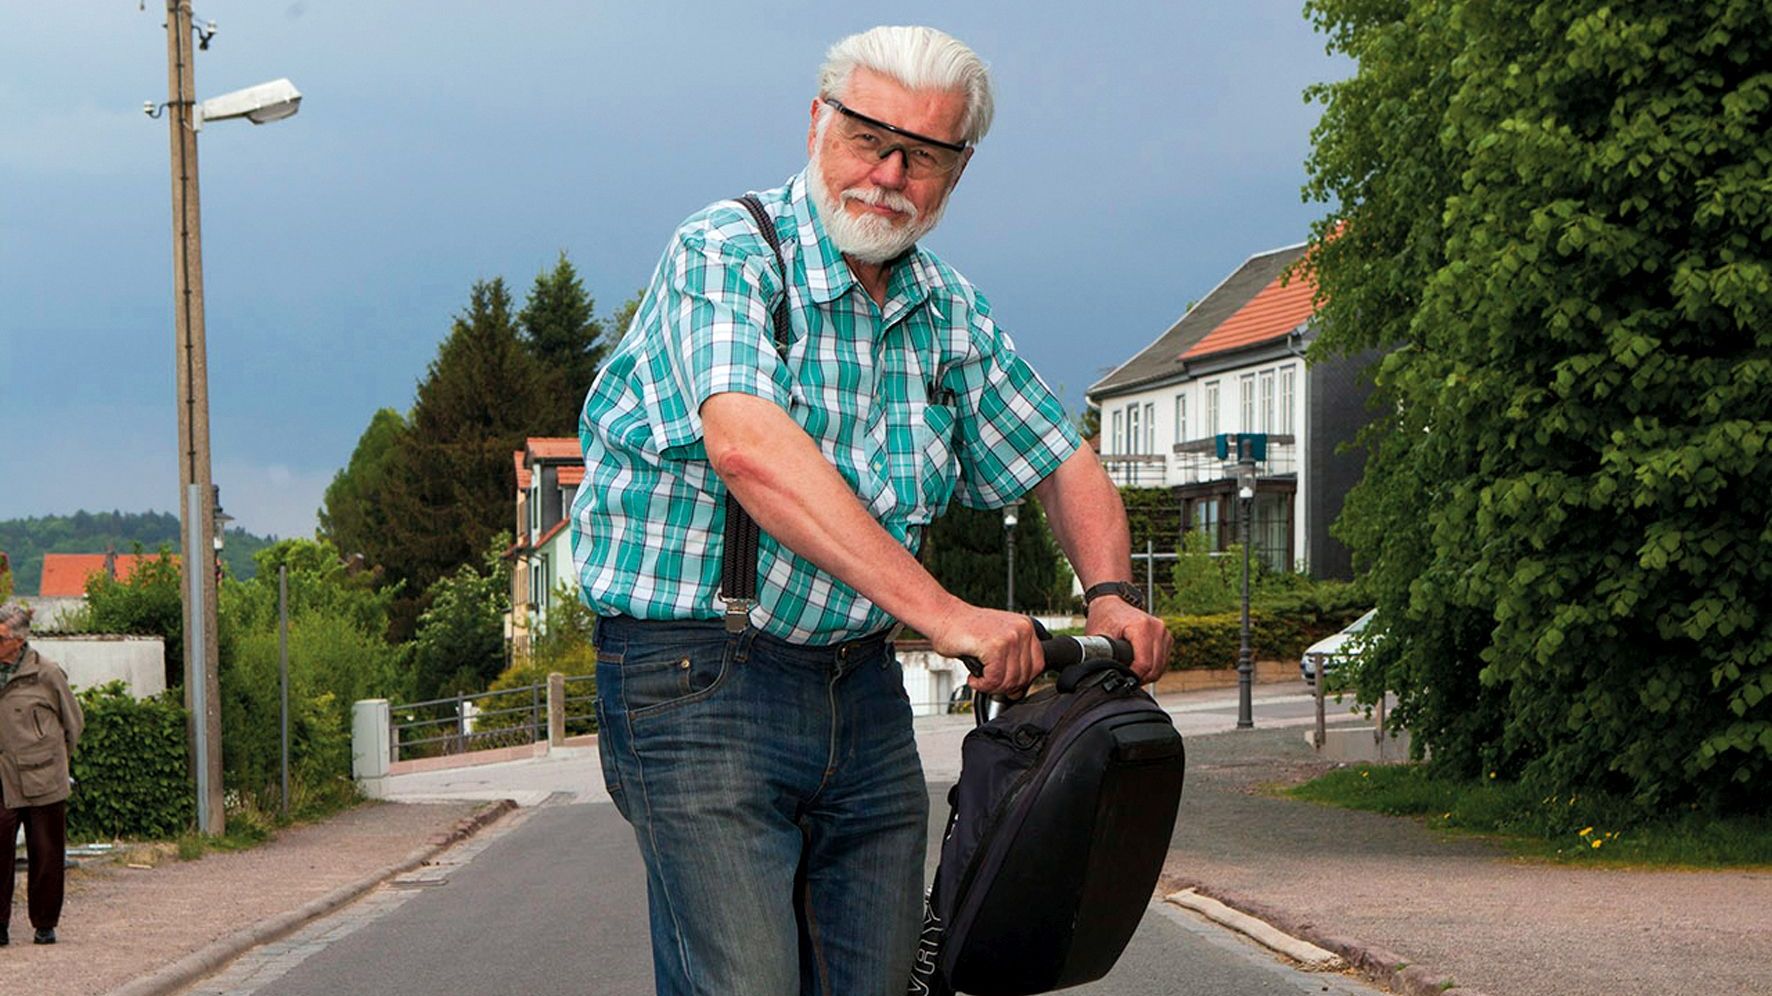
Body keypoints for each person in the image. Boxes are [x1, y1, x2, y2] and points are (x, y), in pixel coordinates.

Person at [572, 25, 1172, 995]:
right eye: (866, 139)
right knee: (748, 981)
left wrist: (1107, 593)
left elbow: (1061, 456)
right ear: (817, 125)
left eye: (922, 155)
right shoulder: (726, 253)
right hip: (692, 676)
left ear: (955, 171)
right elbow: (748, 448)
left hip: (857, 690)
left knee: (883, 979)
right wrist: (945, 614)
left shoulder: (945, 309)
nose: (888, 174)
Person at [0, 602, 83, 947]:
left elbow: (73, 722)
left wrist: (55, 762)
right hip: (1, 777)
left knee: (46, 853)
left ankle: (45, 923)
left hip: (42, 777)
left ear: (17, 640)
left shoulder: (46, 673)